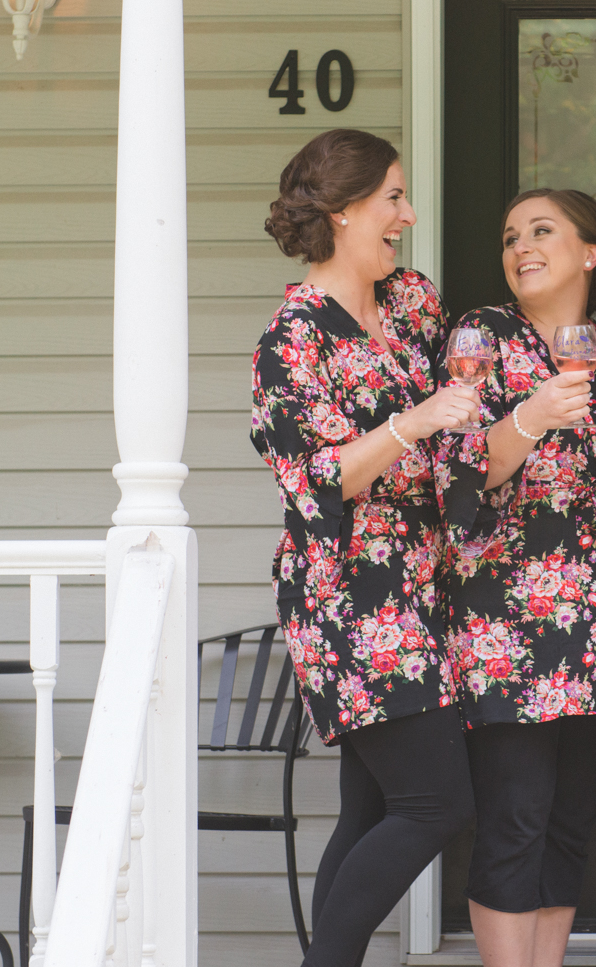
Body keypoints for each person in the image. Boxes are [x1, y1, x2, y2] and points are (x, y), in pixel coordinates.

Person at [251, 129, 479, 967]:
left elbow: (467, 386)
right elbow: (313, 482)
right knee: (434, 801)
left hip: (422, 583)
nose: (408, 215)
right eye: (392, 198)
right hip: (351, 594)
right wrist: (409, 423)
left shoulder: (411, 302)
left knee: (371, 807)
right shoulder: (292, 338)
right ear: (343, 212)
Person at [436, 188, 596, 967]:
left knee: (567, 822)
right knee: (514, 818)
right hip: (507, 624)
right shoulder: (483, 336)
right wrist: (531, 415)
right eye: (510, 233)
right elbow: (459, 474)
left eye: (542, 230)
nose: (521, 244)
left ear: (591, 252)